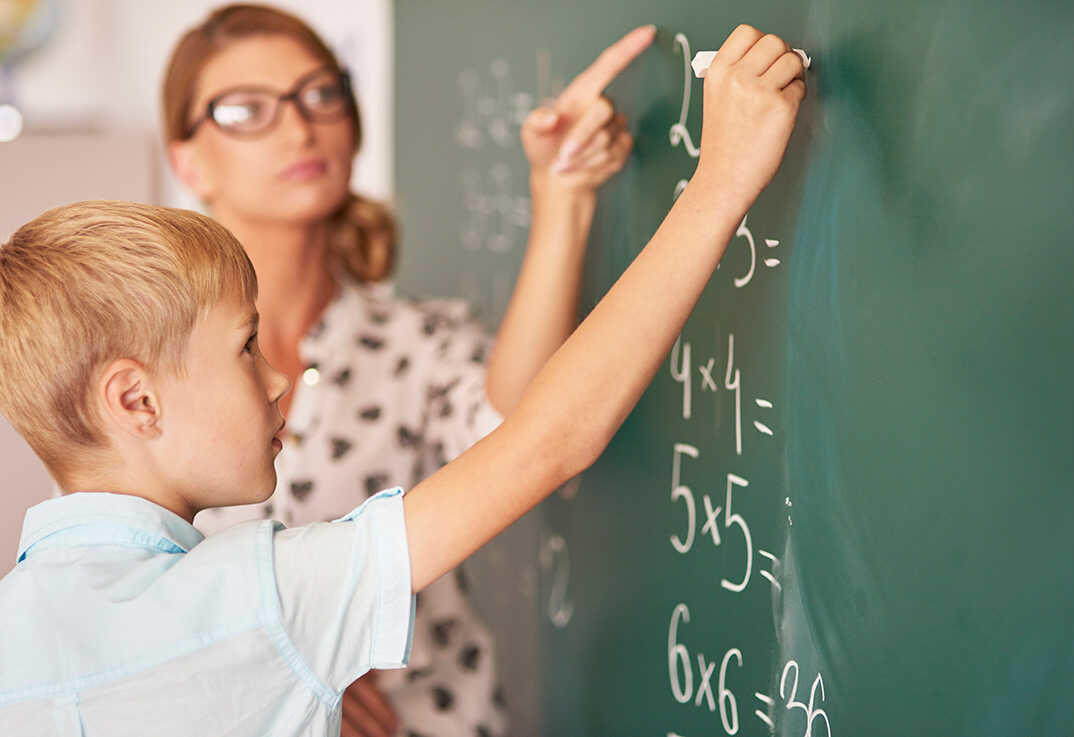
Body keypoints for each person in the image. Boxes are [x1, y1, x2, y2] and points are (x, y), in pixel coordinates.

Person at [0, 24, 807, 736]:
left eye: (321, 94)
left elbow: (514, 424)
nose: (283, 378)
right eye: (247, 348)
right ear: (134, 400)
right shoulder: (264, 599)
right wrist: (722, 179)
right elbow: (546, 442)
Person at [160, 5, 652, 736]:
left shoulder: (420, 342)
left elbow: (522, 436)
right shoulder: (148, 369)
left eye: (321, 94)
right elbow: (102, 578)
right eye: (245, 110)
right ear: (187, 160)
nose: (300, 129)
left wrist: (562, 195)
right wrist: (276, 681)